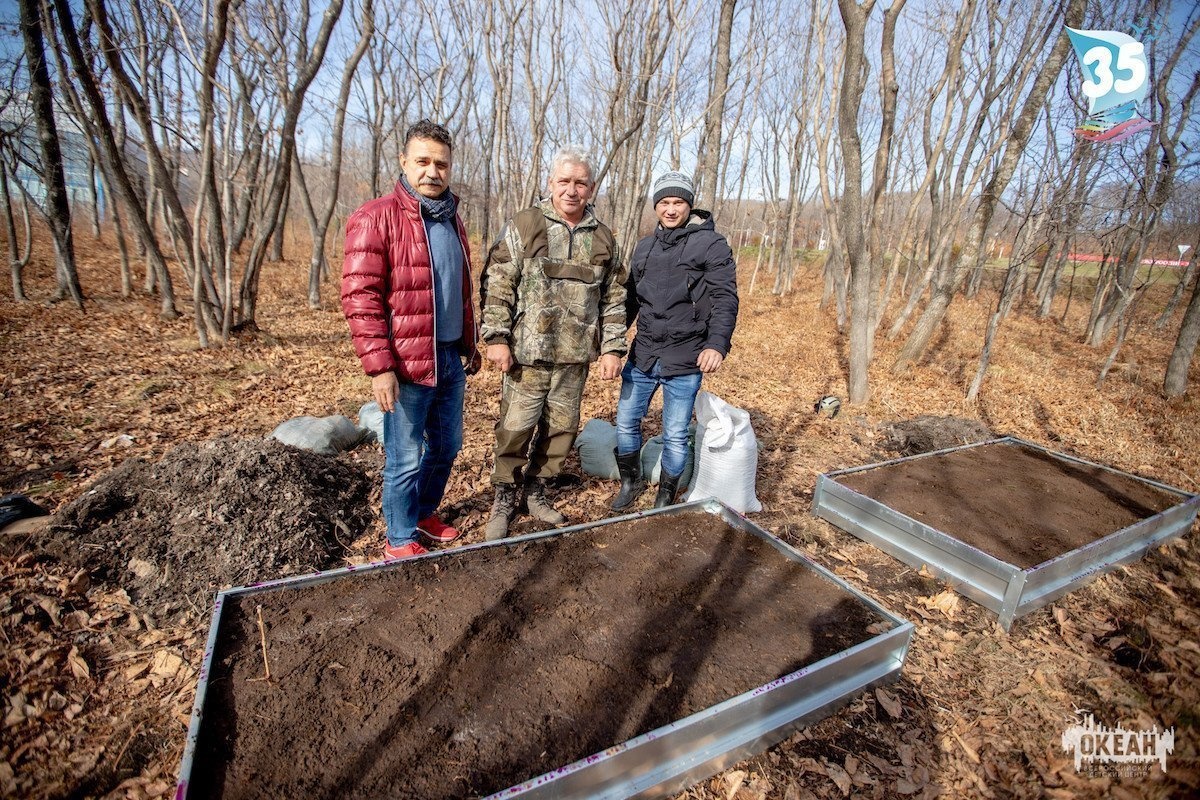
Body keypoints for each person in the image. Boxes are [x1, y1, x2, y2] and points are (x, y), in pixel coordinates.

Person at [341, 119, 481, 561]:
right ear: (404, 162)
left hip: (448, 357)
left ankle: (423, 512)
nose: (432, 172)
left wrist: (469, 344)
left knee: (447, 445)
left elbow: (457, 288)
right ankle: (399, 538)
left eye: (441, 164)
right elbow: (360, 296)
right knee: (403, 456)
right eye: (422, 161)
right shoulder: (375, 217)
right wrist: (379, 366)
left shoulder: (453, 220)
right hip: (405, 361)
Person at [480, 146, 628, 540]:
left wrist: (612, 348)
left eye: (580, 183)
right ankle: (504, 497)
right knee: (515, 430)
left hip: (574, 360)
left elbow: (615, 298)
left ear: (591, 187)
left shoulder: (603, 238)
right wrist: (496, 336)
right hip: (527, 356)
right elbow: (498, 281)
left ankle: (537, 492)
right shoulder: (527, 224)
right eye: (564, 181)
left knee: (561, 431)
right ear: (551, 183)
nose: (571, 190)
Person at [611, 171, 739, 510]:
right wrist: (609, 341)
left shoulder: (711, 244)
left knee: (675, 434)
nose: (670, 209)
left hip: (686, 357)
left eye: (678, 202)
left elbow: (726, 298)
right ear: (656, 206)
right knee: (625, 421)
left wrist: (717, 344)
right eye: (664, 202)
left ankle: (665, 495)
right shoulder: (644, 246)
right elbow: (630, 300)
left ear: (689, 205)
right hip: (644, 354)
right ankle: (630, 481)